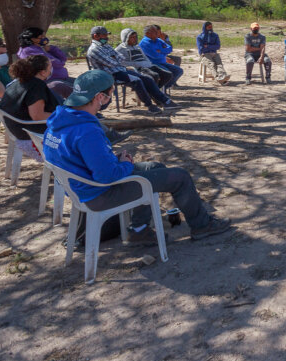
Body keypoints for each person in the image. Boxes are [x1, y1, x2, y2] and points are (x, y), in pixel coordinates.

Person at [43, 70, 231, 243]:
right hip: (98, 193)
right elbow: (108, 176)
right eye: (110, 93)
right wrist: (123, 163)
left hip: (81, 187)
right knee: (180, 176)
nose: (110, 98)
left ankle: (139, 229)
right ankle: (202, 226)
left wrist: (112, 159)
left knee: (154, 167)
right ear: (100, 97)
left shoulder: (60, 120)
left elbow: (78, 157)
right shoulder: (86, 130)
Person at [87, 26, 178, 114]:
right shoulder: (94, 49)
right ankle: (150, 105)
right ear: (96, 36)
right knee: (137, 80)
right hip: (110, 74)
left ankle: (165, 101)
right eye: (104, 35)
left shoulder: (106, 46)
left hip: (121, 70)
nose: (106, 37)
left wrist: (114, 58)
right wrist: (114, 58)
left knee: (147, 79)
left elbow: (120, 58)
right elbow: (112, 63)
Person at [0, 55, 57, 158]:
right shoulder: (36, 86)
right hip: (34, 138)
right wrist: (66, 117)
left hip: (19, 132)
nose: (51, 69)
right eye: (50, 66)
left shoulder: (16, 82)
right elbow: (37, 116)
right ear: (43, 72)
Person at [17, 26, 73, 97]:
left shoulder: (40, 48)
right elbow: (54, 63)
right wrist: (61, 62)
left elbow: (63, 58)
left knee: (83, 84)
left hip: (61, 78)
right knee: (78, 91)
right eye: (41, 37)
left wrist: (51, 49)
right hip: (49, 80)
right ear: (33, 39)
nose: (44, 38)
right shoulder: (29, 51)